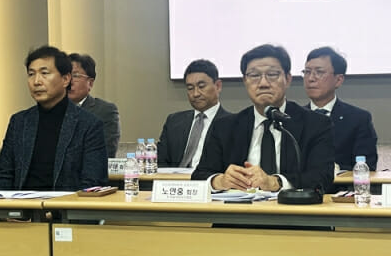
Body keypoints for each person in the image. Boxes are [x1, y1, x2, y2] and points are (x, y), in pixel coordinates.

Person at [193, 44, 334, 193]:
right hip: (239, 206)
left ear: (287, 79)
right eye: (254, 76)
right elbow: (199, 175)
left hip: (290, 206)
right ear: (245, 81)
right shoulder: (225, 127)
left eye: (272, 75)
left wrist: (275, 182)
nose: (263, 84)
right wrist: (219, 181)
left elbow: (322, 177)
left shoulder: (316, 124)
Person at [0, 46, 108, 191]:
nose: (36, 81)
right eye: (31, 74)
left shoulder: (89, 124)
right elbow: (3, 176)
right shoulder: (19, 122)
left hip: (67, 204)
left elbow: (92, 183)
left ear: (66, 79)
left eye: (44, 73)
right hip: (21, 204)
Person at [303, 46, 378, 170]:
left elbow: (366, 167)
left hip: (341, 182)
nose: (311, 78)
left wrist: (331, 170)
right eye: (307, 72)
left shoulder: (359, 119)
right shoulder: (292, 117)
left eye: (319, 72)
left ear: (338, 80)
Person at [157, 59, 231, 168]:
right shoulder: (174, 121)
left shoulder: (232, 124)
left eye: (201, 86)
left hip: (209, 178)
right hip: (173, 177)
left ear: (218, 86)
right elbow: (160, 161)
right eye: (190, 88)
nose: (195, 94)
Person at [68, 53, 121, 158]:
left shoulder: (104, 111)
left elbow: (105, 153)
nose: (69, 82)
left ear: (90, 83)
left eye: (75, 76)